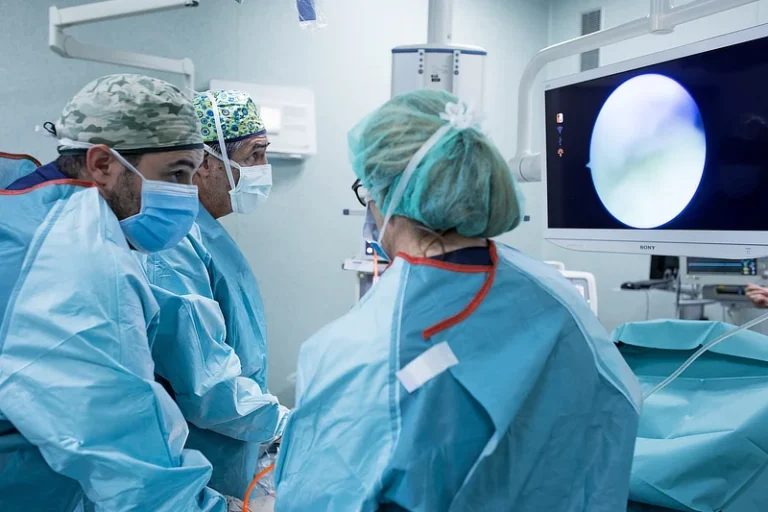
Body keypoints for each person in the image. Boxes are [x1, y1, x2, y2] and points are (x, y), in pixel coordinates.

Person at [274, 89, 643, 511]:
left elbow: (319, 494)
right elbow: (615, 412)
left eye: (367, 190)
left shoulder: (360, 349)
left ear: (386, 196)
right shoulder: (557, 297)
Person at [0, 74, 234, 512]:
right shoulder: (73, 257)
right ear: (103, 163)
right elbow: (128, 459)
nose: (188, 195)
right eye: (176, 173)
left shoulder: (27, 209)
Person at [138, 89, 287, 499]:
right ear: (204, 163)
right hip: (196, 465)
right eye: (254, 155)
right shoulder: (173, 244)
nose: (263, 168)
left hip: (229, 450)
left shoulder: (203, 232)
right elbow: (206, 386)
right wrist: (285, 426)